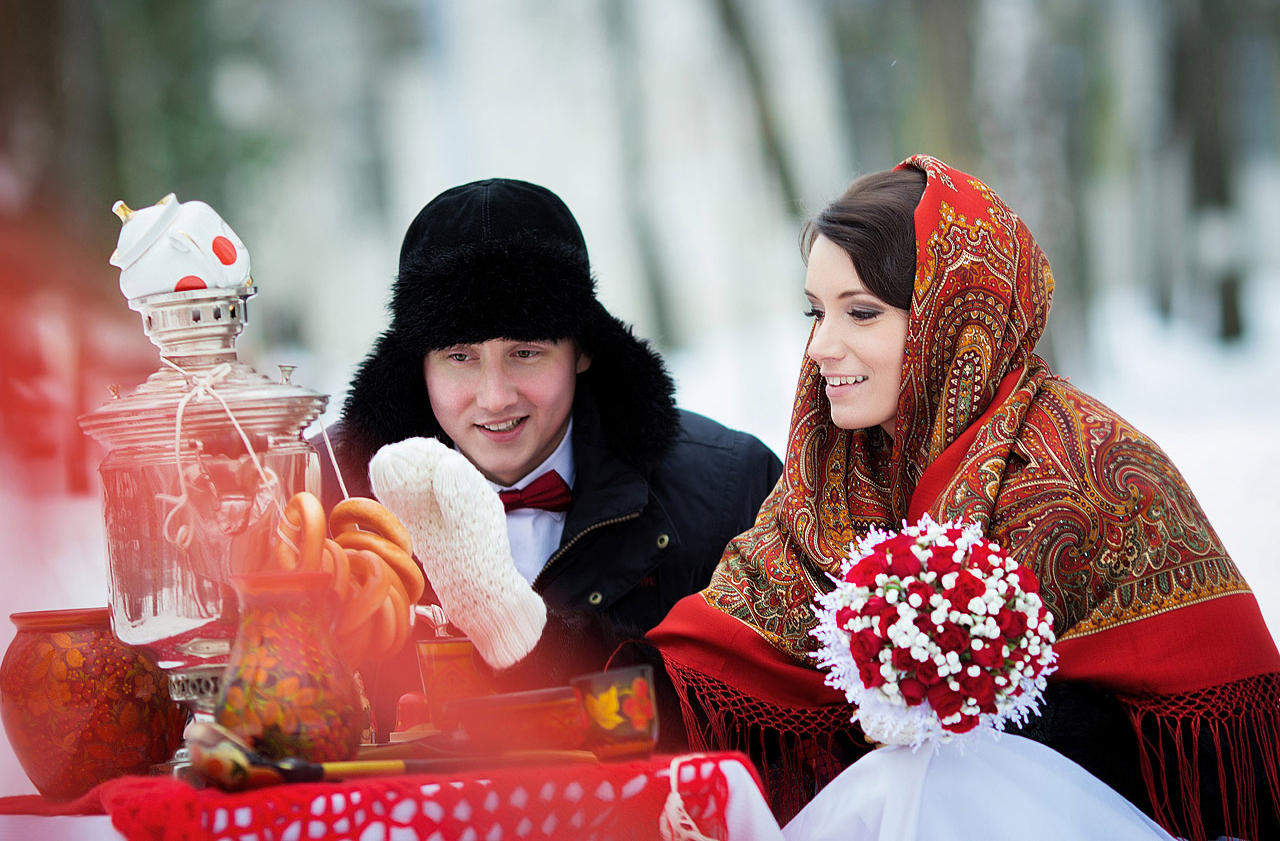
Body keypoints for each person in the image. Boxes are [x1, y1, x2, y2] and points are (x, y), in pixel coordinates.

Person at [370, 156, 1280, 840]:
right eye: (816, 311)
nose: (822, 348)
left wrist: (958, 704)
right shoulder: (833, 473)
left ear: (956, 312)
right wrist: (516, 643)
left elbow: (1217, 747)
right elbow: (701, 677)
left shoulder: (1091, 468)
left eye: (863, 312)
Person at [322, 177, 783, 736]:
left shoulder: (731, 491)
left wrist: (525, 633)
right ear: (417, 366)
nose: (495, 397)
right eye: (460, 357)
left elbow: (750, 719)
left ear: (583, 349)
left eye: (525, 352)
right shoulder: (331, 498)